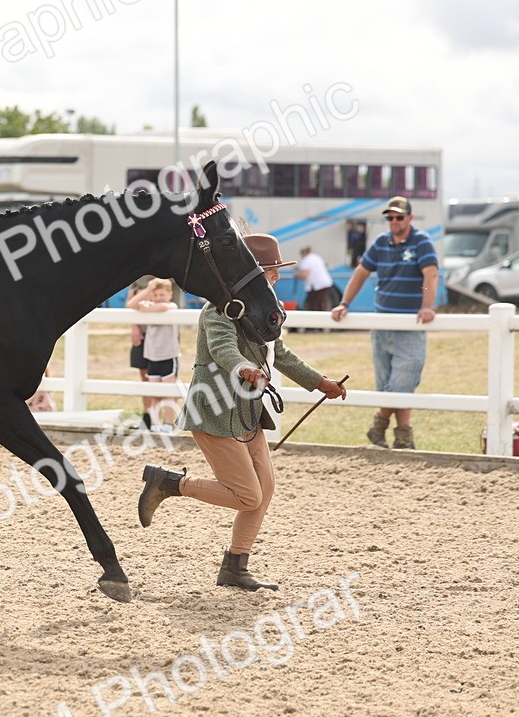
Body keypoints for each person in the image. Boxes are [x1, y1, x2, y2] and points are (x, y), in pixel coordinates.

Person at [137, 234, 347, 591]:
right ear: (251, 273)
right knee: (248, 494)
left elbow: (280, 354)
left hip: (247, 410)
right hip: (215, 410)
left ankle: (235, 566)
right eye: (271, 272)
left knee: (264, 490)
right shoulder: (218, 308)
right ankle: (169, 483)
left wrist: (319, 382)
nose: (276, 278)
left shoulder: (265, 309)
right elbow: (222, 349)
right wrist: (243, 369)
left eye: (276, 272)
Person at [331, 196, 438, 450]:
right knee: (389, 384)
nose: (394, 221)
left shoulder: (421, 242)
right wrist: (345, 302)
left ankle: (379, 424)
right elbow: (361, 272)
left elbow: (430, 275)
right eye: (390, 217)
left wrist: (426, 306)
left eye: (399, 217)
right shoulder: (381, 243)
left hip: (409, 325)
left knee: (402, 382)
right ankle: (403, 436)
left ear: (410, 218)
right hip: (382, 323)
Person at [126, 277, 181, 432]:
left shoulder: (170, 305)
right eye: (155, 295)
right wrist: (148, 290)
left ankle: (169, 423)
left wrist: (147, 308)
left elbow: (164, 307)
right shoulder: (148, 302)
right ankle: (155, 423)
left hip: (168, 354)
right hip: (152, 355)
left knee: (168, 391)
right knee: (154, 391)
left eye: (161, 295)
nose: (158, 298)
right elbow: (130, 304)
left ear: (169, 294)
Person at [125, 275, 157, 428]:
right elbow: (130, 301)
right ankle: (147, 417)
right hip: (143, 332)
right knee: (145, 377)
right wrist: (134, 327)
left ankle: (164, 420)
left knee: (163, 378)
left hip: (162, 335)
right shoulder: (139, 274)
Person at [295, 245, 333, 312]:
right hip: (324, 283)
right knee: (321, 302)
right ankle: (321, 317)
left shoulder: (306, 260)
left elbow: (304, 275)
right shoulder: (316, 257)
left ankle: (316, 318)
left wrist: (296, 275)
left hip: (317, 285)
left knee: (313, 304)